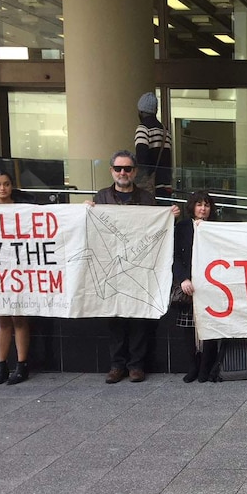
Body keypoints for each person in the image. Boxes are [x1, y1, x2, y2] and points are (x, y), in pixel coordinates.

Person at [90, 150, 180, 384]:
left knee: (139, 318)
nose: (123, 172)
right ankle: (117, 365)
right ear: (111, 171)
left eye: (127, 169)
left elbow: (157, 229)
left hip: (139, 266)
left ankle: (136, 366)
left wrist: (171, 217)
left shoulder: (147, 199)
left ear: (135, 171)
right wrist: (86, 211)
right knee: (116, 318)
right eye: (118, 168)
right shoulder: (100, 199)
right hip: (111, 267)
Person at [0, 169, 34, 385]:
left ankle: (22, 365)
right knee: (2, 319)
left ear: (11, 185)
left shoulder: (25, 208)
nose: (2, 188)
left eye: (6, 184)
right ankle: (2, 365)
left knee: (18, 317)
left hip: (20, 269)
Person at [173, 190, 218, 383]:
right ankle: (193, 367)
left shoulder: (217, 228)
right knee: (188, 329)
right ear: (192, 207)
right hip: (189, 286)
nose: (203, 208)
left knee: (211, 327)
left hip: (212, 285)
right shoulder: (182, 227)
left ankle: (206, 368)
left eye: (206, 205)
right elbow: (174, 256)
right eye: (199, 204)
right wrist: (183, 279)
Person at [134, 92, 173, 199]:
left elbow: (142, 160)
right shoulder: (166, 131)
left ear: (140, 111)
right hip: (165, 184)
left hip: (149, 187)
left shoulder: (143, 129)